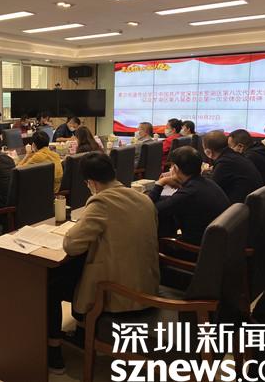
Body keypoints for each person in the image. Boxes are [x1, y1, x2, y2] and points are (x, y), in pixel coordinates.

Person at [48, 152, 159, 373]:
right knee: (77, 269)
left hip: (120, 293)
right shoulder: (143, 198)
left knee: (51, 285)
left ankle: (53, 351)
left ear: (91, 182)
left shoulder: (102, 201)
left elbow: (71, 245)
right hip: (146, 283)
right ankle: (82, 332)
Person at [148, 146, 230, 245]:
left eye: (171, 167)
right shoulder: (206, 182)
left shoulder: (189, 193)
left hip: (196, 248)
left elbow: (150, 209)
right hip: (218, 243)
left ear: (176, 168)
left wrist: (161, 183)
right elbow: (172, 201)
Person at [203, 130, 263, 204]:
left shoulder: (225, 163)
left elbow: (210, 191)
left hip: (240, 208)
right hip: (250, 204)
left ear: (208, 152)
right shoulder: (235, 156)